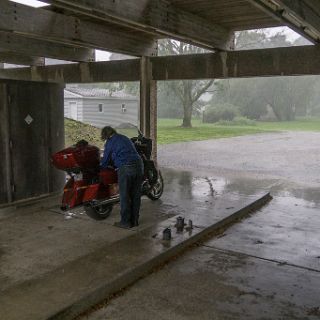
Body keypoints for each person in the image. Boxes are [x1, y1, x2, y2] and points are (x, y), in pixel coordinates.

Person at [100, 126, 144, 228]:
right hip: (139, 165)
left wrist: (100, 167)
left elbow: (105, 160)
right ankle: (135, 221)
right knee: (136, 195)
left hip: (126, 167)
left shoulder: (110, 142)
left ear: (106, 135)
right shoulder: (124, 137)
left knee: (125, 196)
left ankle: (125, 222)